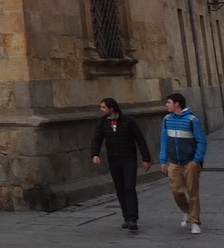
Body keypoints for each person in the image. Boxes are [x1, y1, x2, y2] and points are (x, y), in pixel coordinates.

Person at [89, 97, 151, 230]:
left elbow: (140, 140)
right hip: (114, 160)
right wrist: (95, 154)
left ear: (111, 108)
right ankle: (126, 217)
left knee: (129, 187)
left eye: (103, 107)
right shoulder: (102, 123)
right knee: (120, 189)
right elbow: (97, 139)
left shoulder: (129, 121)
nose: (101, 110)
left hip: (129, 158)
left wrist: (146, 158)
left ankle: (133, 218)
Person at [159, 92, 207, 234]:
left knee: (193, 192)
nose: (166, 105)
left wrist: (196, 160)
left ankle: (195, 221)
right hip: (174, 162)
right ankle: (187, 211)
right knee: (176, 191)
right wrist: (163, 159)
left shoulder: (192, 120)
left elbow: (201, 141)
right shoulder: (167, 119)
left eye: (168, 102)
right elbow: (164, 140)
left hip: (190, 162)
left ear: (176, 104)